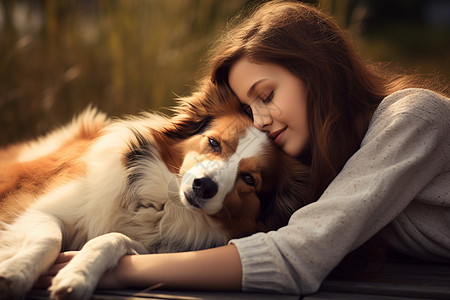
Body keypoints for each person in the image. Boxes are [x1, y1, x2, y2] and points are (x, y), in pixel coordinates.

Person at [39, 0, 450, 295]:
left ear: (317, 74)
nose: (261, 120)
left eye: (267, 94)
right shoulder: (323, 162)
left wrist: (120, 271)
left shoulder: (414, 116)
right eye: (250, 107)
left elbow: (297, 258)